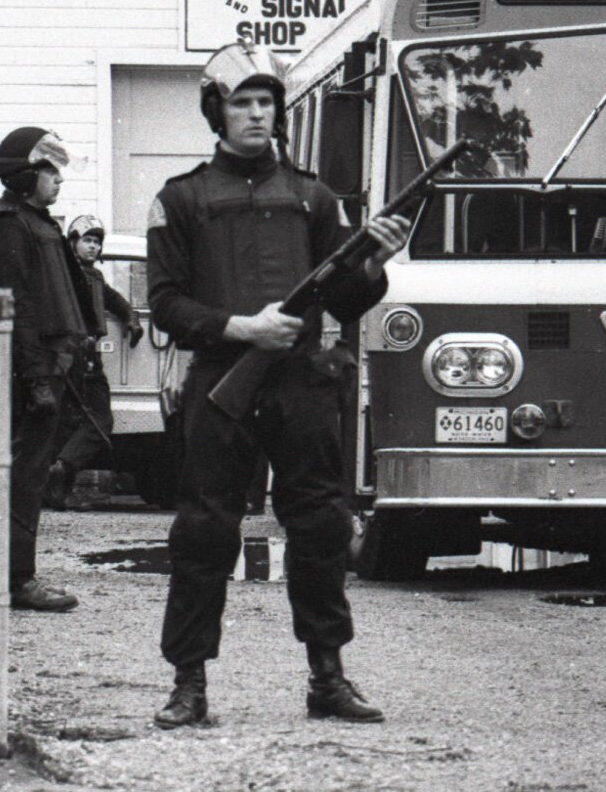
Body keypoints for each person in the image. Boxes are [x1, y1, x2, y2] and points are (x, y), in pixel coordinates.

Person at [146, 40, 410, 729]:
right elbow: (168, 304)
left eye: (266, 102)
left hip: (300, 386)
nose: (257, 115)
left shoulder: (315, 196)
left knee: (321, 524)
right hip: (220, 383)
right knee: (205, 531)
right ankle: (188, 683)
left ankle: (328, 675)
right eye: (242, 102)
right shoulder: (180, 199)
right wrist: (241, 327)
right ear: (217, 112)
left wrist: (376, 258)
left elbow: (348, 300)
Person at [0, 126, 96, 613]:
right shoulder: (7, 224)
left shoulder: (34, 221)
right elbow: (12, 306)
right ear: (25, 175)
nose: (58, 180)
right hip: (29, 373)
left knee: (31, 474)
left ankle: (14, 575)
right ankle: (16, 579)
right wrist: (37, 377)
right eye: (49, 170)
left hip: (49, 366)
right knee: (21, 477)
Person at [43, 214, 144, 510]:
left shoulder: (95, 276)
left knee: (80, 419)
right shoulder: (62, 274)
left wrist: (131, 318)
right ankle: (61, 475)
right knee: (96, 418)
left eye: (97, 242)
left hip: (88, 354)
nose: (93, 247)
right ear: (73, 242)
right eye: (87, 240)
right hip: (71, 353)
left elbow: (114, 300)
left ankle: (59, 479)